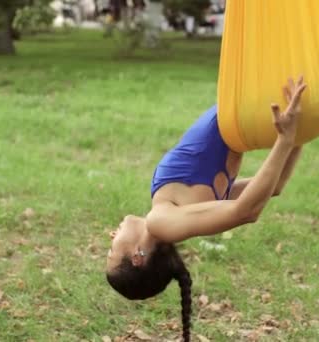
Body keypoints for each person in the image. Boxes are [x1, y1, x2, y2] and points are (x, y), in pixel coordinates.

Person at [106, 75, 307, 341]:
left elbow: (276, 186)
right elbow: (246, 210)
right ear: (137, 257)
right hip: (249, 99)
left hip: (247, 97)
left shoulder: (174, 211)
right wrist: (287, 138)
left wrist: (298, 136)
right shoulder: (161, 222)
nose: (111, 236)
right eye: (111, 249)